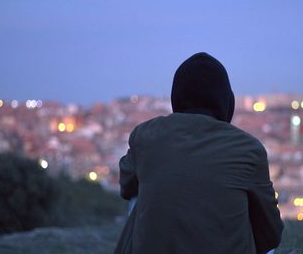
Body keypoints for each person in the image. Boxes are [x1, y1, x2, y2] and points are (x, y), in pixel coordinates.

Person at [114, 52, 284, 254]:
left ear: (175, 97)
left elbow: (126, 186)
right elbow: (271, 233)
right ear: (227, 101)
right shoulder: (248, 148)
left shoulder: (147, 136)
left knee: (139, 188)